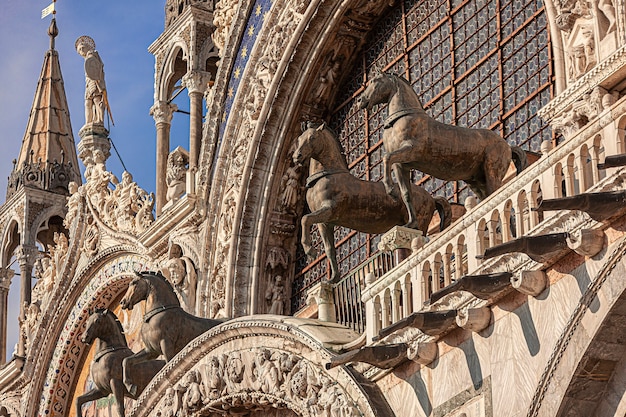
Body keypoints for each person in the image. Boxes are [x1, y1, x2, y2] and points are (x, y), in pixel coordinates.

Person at [75, 36, 109, 125]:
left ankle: (100, 120)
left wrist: (98, 81)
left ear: (87, 47)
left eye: (82, 48)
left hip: (95, 81)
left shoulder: (93, 55)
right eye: (79, 50)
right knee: (87, 103)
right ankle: (88, 122)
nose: (81, 51)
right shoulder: (88, 58)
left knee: (97, 100)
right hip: (88, 82)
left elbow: (98, 68)